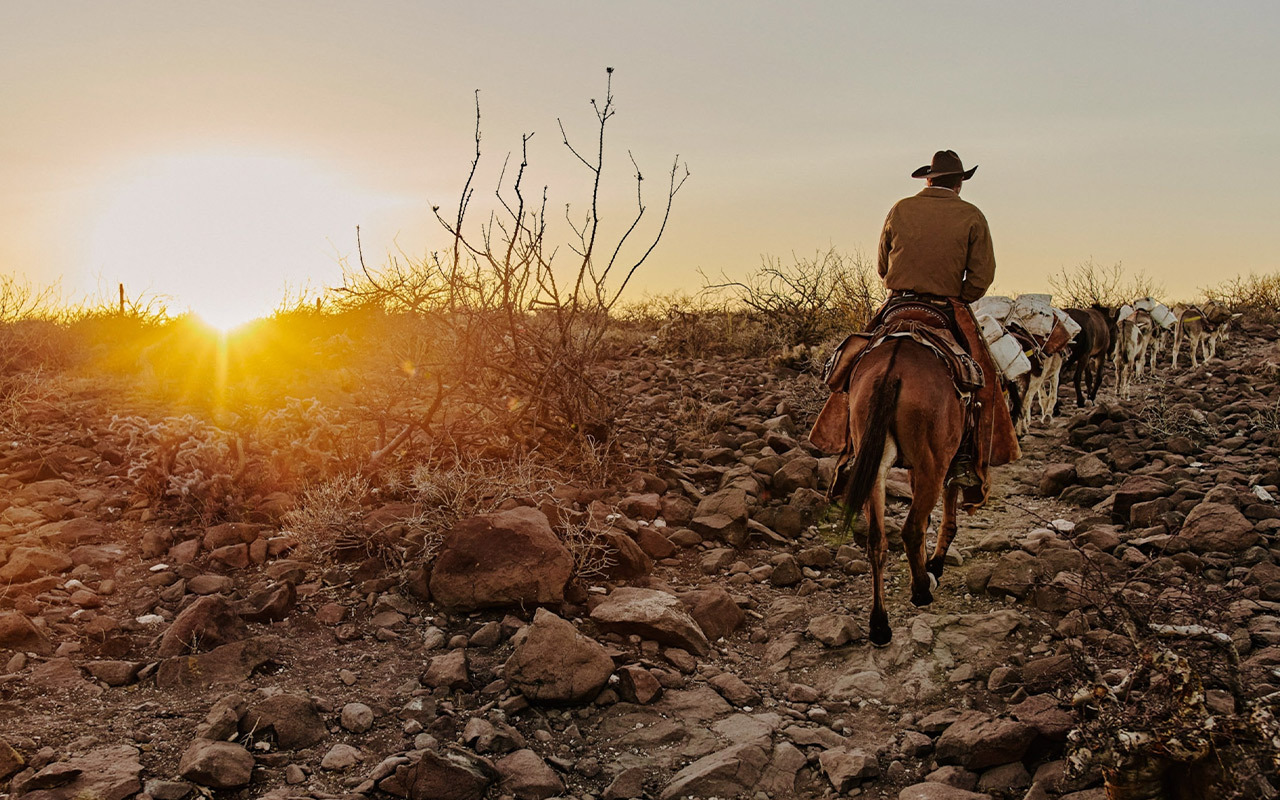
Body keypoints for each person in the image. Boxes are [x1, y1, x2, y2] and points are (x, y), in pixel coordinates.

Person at [874, 149, 1020, 506]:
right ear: (958, 184)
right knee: (981, 377)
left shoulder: (900, 208)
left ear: (928, 179)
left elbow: (881, 265)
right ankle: (969, 460)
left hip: (898, 302)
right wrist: (959, 295)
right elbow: (982, 276)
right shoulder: (971, 214)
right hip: (944, 307)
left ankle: (846, 449)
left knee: (850, 362)